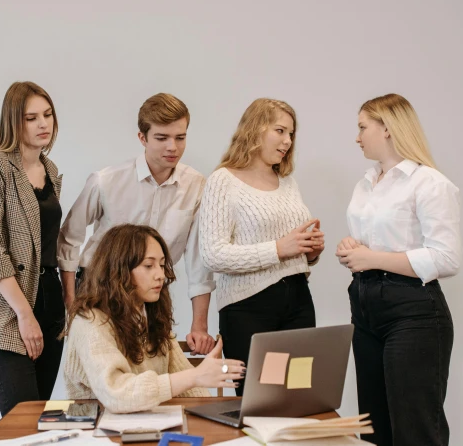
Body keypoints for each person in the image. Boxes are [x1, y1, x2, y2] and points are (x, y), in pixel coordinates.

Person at [336, 93, 461, 446]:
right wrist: (352, 247)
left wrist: (372, 258)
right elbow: (377, 243)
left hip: (414, 312)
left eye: (362, 127)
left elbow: (447, 258)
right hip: (365, 308)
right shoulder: (367, 182)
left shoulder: (430, 183)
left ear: (387, 128)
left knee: (416, 431)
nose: (357, 137)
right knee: (374, 430)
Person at [58, 93, 216, 355]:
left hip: (154, 290)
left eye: (180, 137)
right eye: (161, 138)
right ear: (142, 138)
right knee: (103, 377)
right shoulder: (106, 180)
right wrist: (71, 300)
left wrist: (199, 325)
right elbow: (69, 238)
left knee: (153, 372)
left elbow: (198, 260)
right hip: (100, 287)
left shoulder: (197, 185)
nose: (172, 148)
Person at [197, 98, 325, 395]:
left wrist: (310, 253)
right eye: (280, 131)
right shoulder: (222, 180)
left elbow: (292, 248)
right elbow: (213, 254)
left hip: (298, 301)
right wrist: (279, 248)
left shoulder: (287, 181)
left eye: (291, 134)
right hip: (248, 309)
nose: (288, 141)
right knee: (259, 400)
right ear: (255, 130)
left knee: (300, 395)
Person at [0, 81, 66, 416]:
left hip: (50, 301)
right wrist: (24, 314)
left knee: (40, 419)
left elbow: (48, 244)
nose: (43, 124)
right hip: (8, 308)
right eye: (31, 117)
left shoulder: (50, 171)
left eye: (47, 115)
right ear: (13, 122)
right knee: (20, 423)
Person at [62, 224, 244, 413]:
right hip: (100, 434)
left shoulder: (148, 315)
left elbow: (188, 384)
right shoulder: (89, 321)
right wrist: (196, 375)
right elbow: (118, 394)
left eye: (162, 265)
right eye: (149, 266)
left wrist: (220, 415)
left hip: (145, 427)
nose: (160, 275)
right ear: (118, 270)